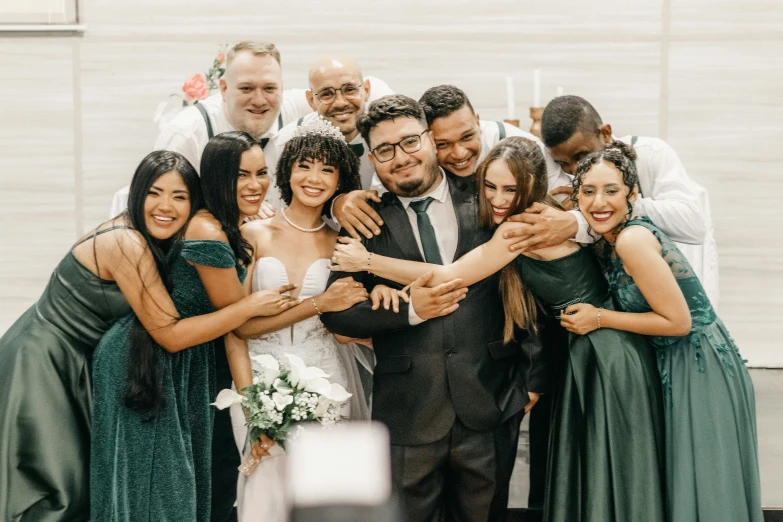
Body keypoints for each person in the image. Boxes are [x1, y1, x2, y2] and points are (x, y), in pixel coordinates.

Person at [330, 136, 667, 522]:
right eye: (489, 186)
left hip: (600, 348)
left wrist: (368, 260)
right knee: (603, 463)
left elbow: (449, 276)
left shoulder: (522, 228)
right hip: (586, 345)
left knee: (613, 458)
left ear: (531, 185)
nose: (499, 198)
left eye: (511, 188)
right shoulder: (551, 211)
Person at [0, 149, 286, 522]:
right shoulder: (125, 242)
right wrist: (248, 307)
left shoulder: (161, 236)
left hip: (84, 355)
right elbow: (168, 333)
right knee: (56, 487)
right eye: (154, 192)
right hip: (44, 358)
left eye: (179, 196)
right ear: (136, 195)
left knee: (86, 481)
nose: (165, 206)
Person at [321, 95, 543, 522]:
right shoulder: (368, 219)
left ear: (429, 139)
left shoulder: (486, 196)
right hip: (407, 413)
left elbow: (528, 287)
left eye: (409, 142)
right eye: (385, 150)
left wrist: (532, 381)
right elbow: (337, 313)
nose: (400, 158)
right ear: (372, 159)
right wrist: (407, 311)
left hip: (491, 404)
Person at [91, 134, 297, 521]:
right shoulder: (207, 231)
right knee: (155, 486)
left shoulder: (224, 223)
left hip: (188, 357)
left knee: (176, 483)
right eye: (241, 175)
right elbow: (242, 320)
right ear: (218, 178)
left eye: (261, 173)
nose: (255, 185)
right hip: (148, 357)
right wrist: (318, 305)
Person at [561, 143, 762, 522]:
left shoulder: (632, 240)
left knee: (707, 488)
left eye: (611, 190)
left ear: (633, 194)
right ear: (576, 197)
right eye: (588, 191)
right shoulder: (613, 239)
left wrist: (599, 318)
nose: (599, 201)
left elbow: (678, 322)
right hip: (687, 359)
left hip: (698, 365)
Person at [229, 117, 371, 522]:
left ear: (341, 179)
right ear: (287, 170)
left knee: (325, 501)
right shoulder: (253, 235)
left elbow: (350, 323)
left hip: (327, 376)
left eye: (327, 169)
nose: (314, 177)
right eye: (305, 165)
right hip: (257, 379)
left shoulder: (343, 245)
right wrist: (251, 402)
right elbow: (237, 327)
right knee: (265, 498)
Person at [110, 45, 393, 216]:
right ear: (223, 89)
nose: (259, 100)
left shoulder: (299, 107)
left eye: (269, 88)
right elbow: (157, 204)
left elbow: (366, 92)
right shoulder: (187, 133)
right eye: (246, 88)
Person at [507, 95, 719, 308]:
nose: (575, 170)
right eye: (563, 163)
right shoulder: (562, 180)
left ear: (605, 134)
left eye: (581, 156)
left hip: (677, 301)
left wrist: (601, 209)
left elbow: (693, 223)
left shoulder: (651, 154)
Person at [332, 84, 572, 240]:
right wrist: (339, 204)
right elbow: (376, 200)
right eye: (443, 144)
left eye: (467, 137)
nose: (459, 154)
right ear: (428, 139)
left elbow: (567, 201)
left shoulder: (517, 142)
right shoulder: (410, 161)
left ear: (478, 121)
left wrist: (571, 221)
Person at [265, 56, 394, 193]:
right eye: (326, 94)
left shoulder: (392, 135)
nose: (340, 103)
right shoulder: (282, 147)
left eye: (349, 89)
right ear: (311, 100)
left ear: (366, 91)